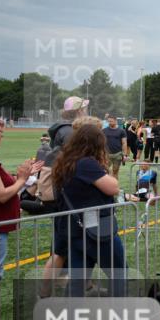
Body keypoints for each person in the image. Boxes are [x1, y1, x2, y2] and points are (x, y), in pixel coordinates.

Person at [53, 122, 126, 297]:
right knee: (119, 273)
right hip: (96, 230)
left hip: (75, 230)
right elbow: (113, 187)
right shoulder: (86, 163)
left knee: (77, 281)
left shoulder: (65, 162)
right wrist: (105, 168)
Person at [0, 120, 43, 320]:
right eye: (0, 131)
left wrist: (25, 177)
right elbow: (1, 195)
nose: (2, 135)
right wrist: (22, 180)